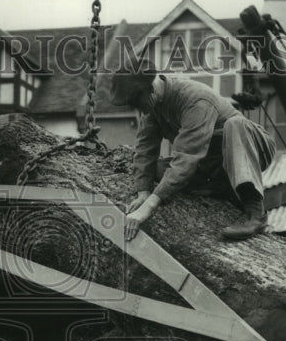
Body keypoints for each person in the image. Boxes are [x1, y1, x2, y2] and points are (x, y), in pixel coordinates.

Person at [112, 71, 275, 242]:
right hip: (211, 160)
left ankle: (256, 213)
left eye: (138, 103)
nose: (139, 110)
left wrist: (148, 207)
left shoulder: (196, 99)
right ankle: (220, 187)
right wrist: (143, 192)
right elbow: (145, 149)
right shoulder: (153, 104)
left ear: (150, 89)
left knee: (235, 124)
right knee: (158, 171)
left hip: (249, 149)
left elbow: (186, 157)